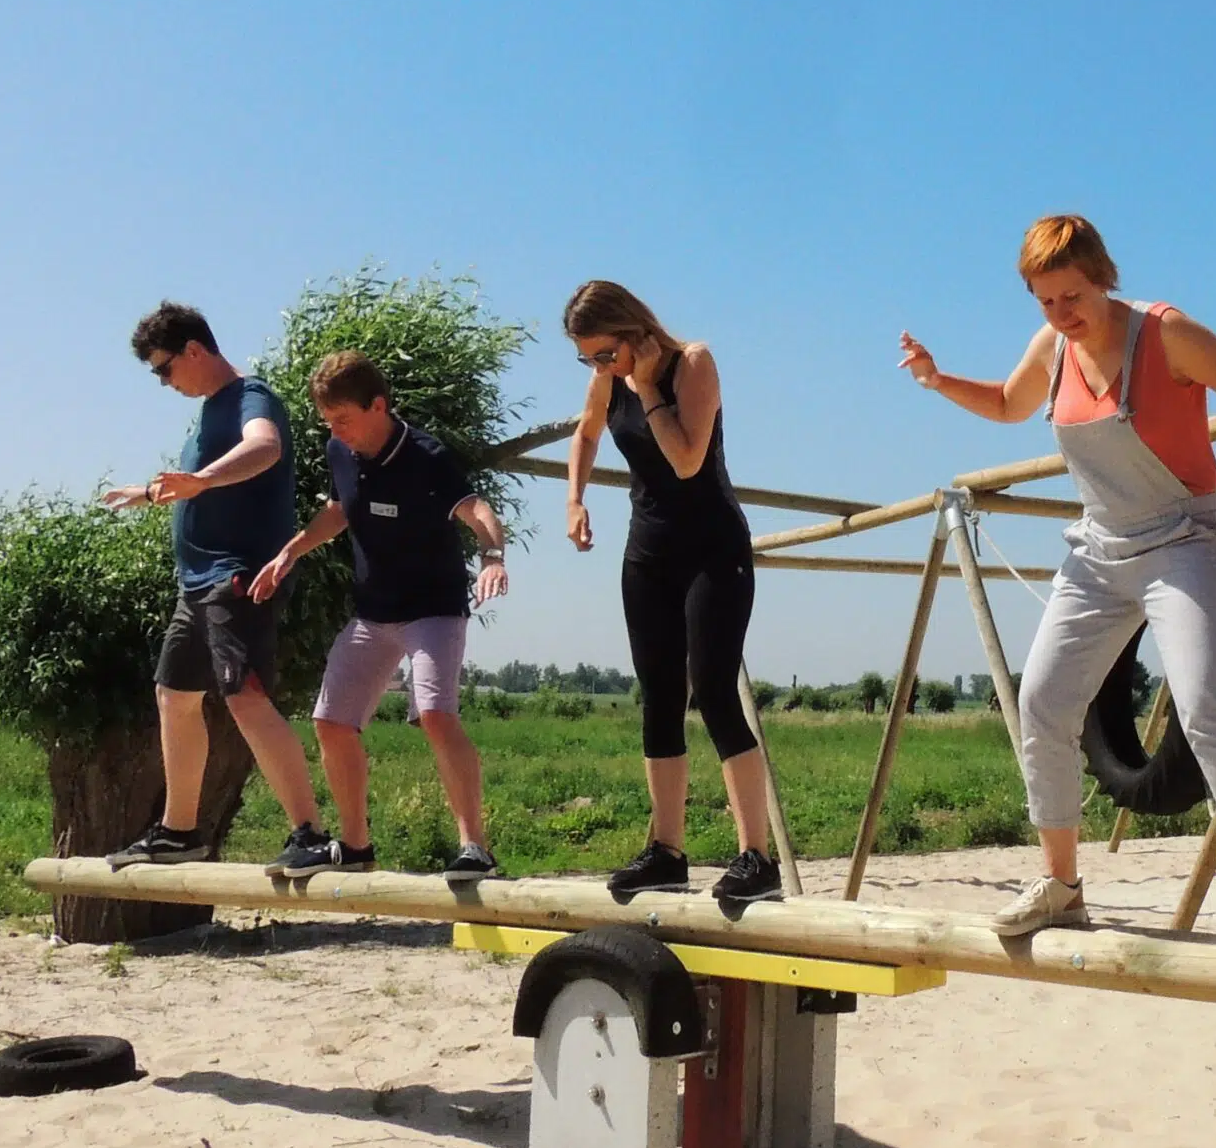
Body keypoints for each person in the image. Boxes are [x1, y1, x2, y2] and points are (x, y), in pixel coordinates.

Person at [898, 215, 1216, 975]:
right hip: (1100, 549)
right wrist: (940, 381)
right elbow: (1007, 403)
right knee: (1041, 702)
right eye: (1045, 302)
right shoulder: (1053, 347)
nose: (1061, 314)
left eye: (1072, 296)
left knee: (1205, 707)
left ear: (1103, 276)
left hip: (1183, 542)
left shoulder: (1167, 334)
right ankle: (1062, 886)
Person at [249, 351, 512, 875]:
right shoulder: (339, 451)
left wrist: (493, 556)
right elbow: (339, 510)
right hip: (373, 613)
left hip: (433, 610)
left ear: (378, 406)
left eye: (343, 419)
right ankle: (355, 847)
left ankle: (475, 848)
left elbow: (476, 508)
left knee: (435, 715)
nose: (336, 431)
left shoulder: (426, 456)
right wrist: (291, 551)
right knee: (330, 722)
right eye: (328, 421)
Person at [562, 281, 782, 904]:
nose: (600, 367)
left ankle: (756, 857)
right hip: (648, 555)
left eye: (606, 353)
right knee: (658, 697)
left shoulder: (693, 363)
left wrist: (648, 388)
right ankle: (667, 852)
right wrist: (575, 498)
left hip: (713, 552)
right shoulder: (608, 378)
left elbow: (686, 459)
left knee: (713, 690)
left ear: (634, 331)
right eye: (588, 359)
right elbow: (586, 433)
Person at [101, 303, 331, 874]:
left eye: (164, 368)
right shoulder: (210, 411)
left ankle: (311, 835)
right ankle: (179, 832)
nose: (164, 382)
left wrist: (200, 481)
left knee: (245, 697)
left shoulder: (251, 396)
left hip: (237, 576)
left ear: (195, 350)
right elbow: (197, 486)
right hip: (197, 583)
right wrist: (148, 493)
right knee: (174, 696)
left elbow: (265, 447)